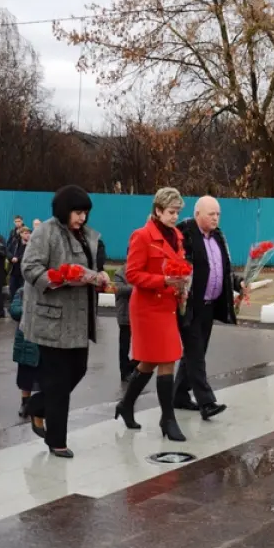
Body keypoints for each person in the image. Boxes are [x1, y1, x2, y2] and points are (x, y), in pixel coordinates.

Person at [21, 185, 109, 458]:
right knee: (58, 381)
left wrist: (99, 277)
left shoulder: (85, 236)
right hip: (52, 318)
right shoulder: (45, 232)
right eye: (77, 212)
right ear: (64, 210)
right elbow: (30, 267)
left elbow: (94, 265)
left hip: (80, 318)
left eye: (85, 213)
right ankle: (57, 441)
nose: (82, 218)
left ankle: (37, 405)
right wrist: (58, 279)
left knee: (78, 369)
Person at [114, 187, 189, 441]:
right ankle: (167, 419)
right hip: (147, 306)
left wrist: (182, 282)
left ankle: (125, 404)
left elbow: (178, 264)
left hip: (167, 304)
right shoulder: (142, 236)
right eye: (171, 212)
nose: (175, 217)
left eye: (178, 212)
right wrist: (164, 280)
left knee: (150, 361)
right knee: (167, 358)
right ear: (157, 210)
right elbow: (132, 274)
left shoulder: (176, 236)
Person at [174, 196, 244, 419]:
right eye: (211, 214)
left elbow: (223, 268)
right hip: (189, 304)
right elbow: (177, 266)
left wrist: (238, 283)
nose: (215, 218)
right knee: (196, 353)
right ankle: (207, 403)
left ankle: (178, 395)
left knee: (197, 351)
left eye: (218, 214)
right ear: (197, 215)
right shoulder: (184, 234)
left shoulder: (218, 237)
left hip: (209, 305)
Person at [9, 288, 41, 426]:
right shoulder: (22, 291)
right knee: (25, 376)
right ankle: (25, 403)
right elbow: (15, 311)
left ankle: (41, 404)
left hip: (43, 338)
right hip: (25, 339)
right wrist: (30, 311)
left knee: (45, 374)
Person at [113, 265, 136, 383]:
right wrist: (139, 286)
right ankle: (125, 373)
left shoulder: (141, 270)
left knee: (145, 344)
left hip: (139, 315)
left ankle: (132, 367)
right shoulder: (120, 272)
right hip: (125, 314)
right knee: (124, 346)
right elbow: (119, 289)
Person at [8, 226, 31, 302]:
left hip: (23, 272)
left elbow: (28, 255)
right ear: (21, 234)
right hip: (14, 270)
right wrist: (11, 257)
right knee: (12, 289)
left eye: (29, 233)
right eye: (25, 233)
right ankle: (12, 305)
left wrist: (18, 259)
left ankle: (21, 308)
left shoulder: (31, 244)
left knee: (22, 291)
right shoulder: (15, 242)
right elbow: (7, 251)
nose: (28, 235)